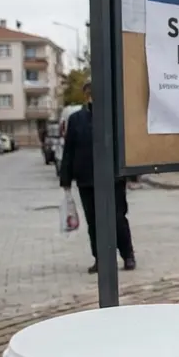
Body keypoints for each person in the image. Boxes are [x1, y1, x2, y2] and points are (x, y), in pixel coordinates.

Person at [59, 81, 136, 274]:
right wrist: (66, 180)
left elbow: (126, 146)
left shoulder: (114, 116)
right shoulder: (76, 119)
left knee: (118, 219)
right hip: (87, 180)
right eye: (91, 94)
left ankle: (128, 255)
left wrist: (131, 173)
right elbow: (69, 150)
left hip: (113, 179)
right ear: (87, 96)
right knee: (94, 222)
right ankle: (100, 259)